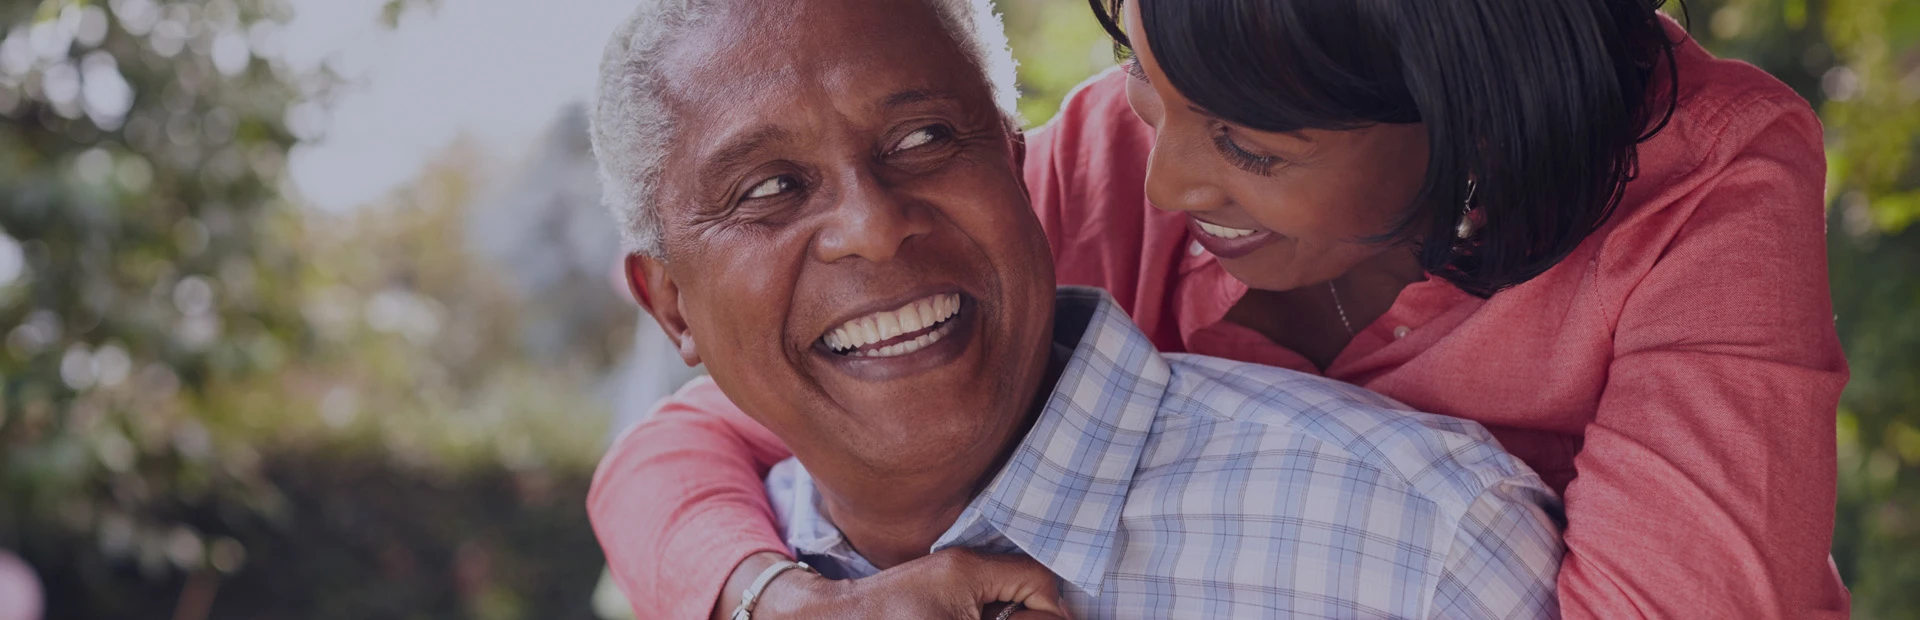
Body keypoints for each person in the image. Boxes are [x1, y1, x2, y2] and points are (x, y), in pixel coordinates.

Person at [591, 0, 1849, 617]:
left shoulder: (1706, 183)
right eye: (1146, 80)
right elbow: (696, 432)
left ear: (1457, 119)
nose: (1164, 181)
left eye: (1247, 143)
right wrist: (771, 596)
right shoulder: (1094, 165)